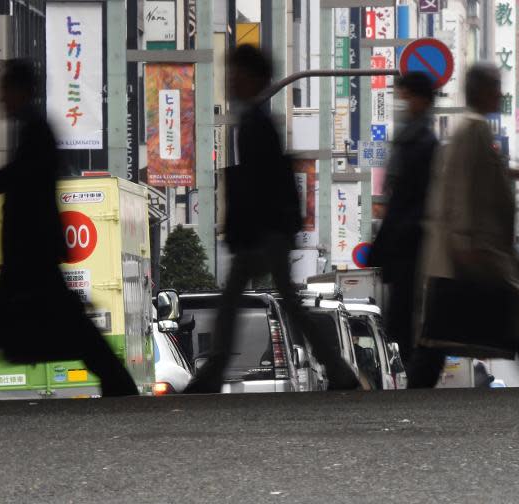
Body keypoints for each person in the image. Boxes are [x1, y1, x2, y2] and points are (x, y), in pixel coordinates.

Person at [0, 59, 138, 400]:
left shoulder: (36, 129)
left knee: (33, 324)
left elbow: (17, 177)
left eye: (5, 89)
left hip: (31, 248)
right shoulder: (34, 127)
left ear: (21, 91)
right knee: (55, 324)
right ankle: (119, 384)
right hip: (31, 248)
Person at [185, 45, 359, 393]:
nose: (230, 79)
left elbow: (257, 183)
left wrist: (242, 229)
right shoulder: (256, 120)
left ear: (253, 79)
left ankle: (215, 371)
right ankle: (338, 370)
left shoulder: (254, 123)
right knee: (282, 304)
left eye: (236, 73)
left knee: (238, 300)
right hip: (271, 230)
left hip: (263, 232)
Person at [408, 63, 519, 388]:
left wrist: (508, 173)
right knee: (501, 325)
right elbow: (463, 187)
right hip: (472, 254)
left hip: (468, 253)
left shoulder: (468, 128)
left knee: (445, 336)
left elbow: (472, 175)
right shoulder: (474, 128)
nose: (500, 94)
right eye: (495, 87)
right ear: (480, 91)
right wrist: (466, 243)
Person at [368, 72, 438, 365]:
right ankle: (416, 365)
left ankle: (417, 366)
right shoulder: (416, 135)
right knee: (406, 307)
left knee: (405, 308)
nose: (402, 102)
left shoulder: (420, 139)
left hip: (409, 233)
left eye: (406, 96)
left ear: (420, 99)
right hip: (410, 232)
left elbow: (405, 192)